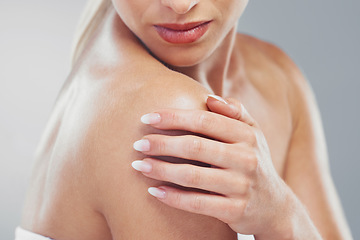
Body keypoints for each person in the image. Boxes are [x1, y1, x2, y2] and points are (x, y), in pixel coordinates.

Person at [17, 0, 352, 239]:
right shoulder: (161, 111)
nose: (180, 4)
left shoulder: (274, 76)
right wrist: (283, 221)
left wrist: (282, 213)